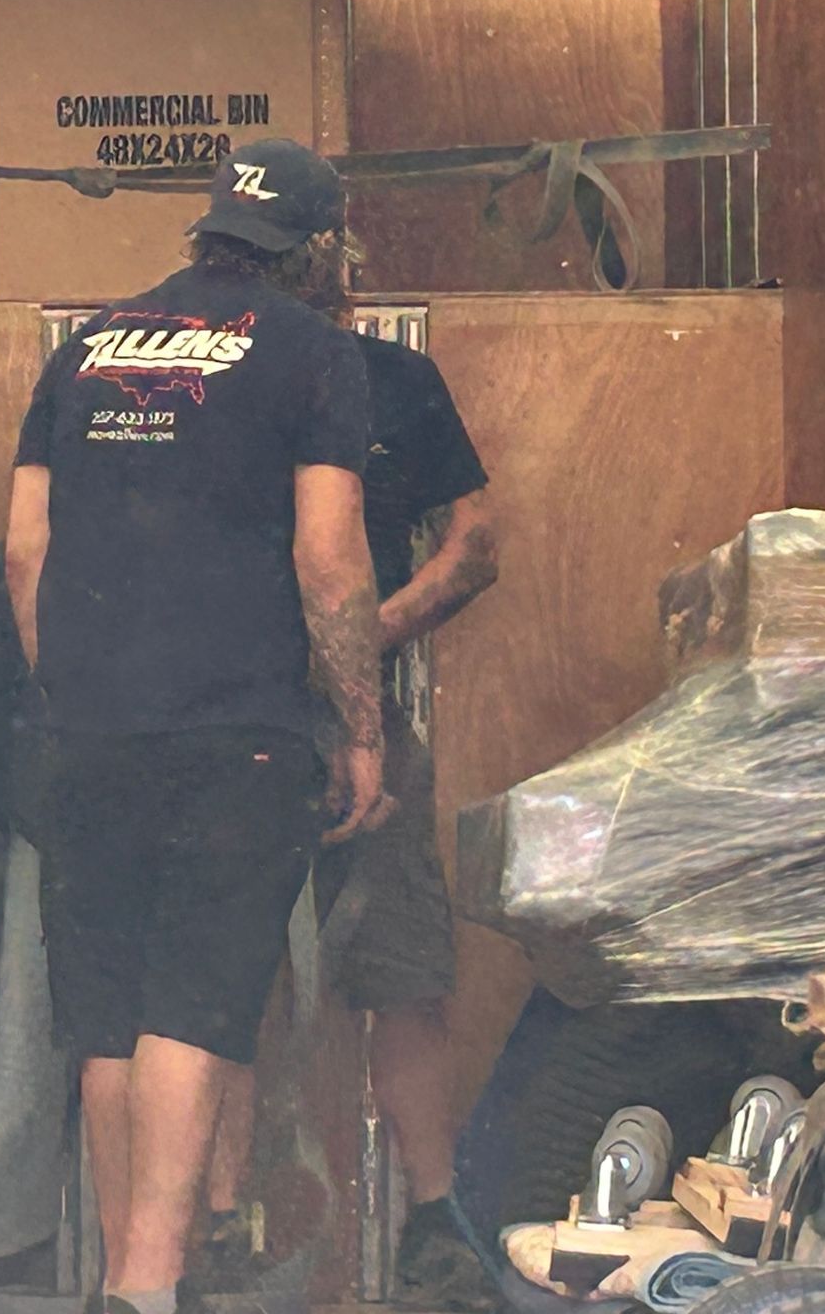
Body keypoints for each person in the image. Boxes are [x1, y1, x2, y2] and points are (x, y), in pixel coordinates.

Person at [5, 139, 389, 1314]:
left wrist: (74, 683)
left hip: (89, 728)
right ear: (318, 248)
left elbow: (27, 550)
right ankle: (153, 1284)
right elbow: (328, 563)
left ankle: (121, 1274)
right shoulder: (317, 356)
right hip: (237, 729)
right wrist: (361, 725)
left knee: (108, 1014)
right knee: (196, 999)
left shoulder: (83, 349)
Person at [199, 279, 499, 1308]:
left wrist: (363, 638)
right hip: (234, 722)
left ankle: (432, 1219)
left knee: (402, 967)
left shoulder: (392, 380)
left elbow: (475, 544)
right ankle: (226, 1226)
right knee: (223, 984)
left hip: (340, 718)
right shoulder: (198, 378)